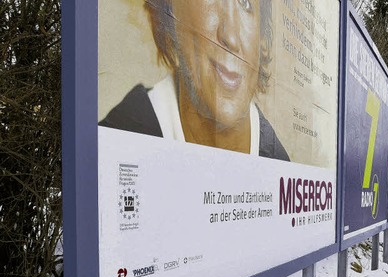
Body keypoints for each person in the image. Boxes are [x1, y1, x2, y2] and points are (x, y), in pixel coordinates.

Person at [100, 0, 290, 161]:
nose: (231, 36)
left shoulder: (278, 162)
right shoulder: (113, 148)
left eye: (245, 3)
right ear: (170, 9)